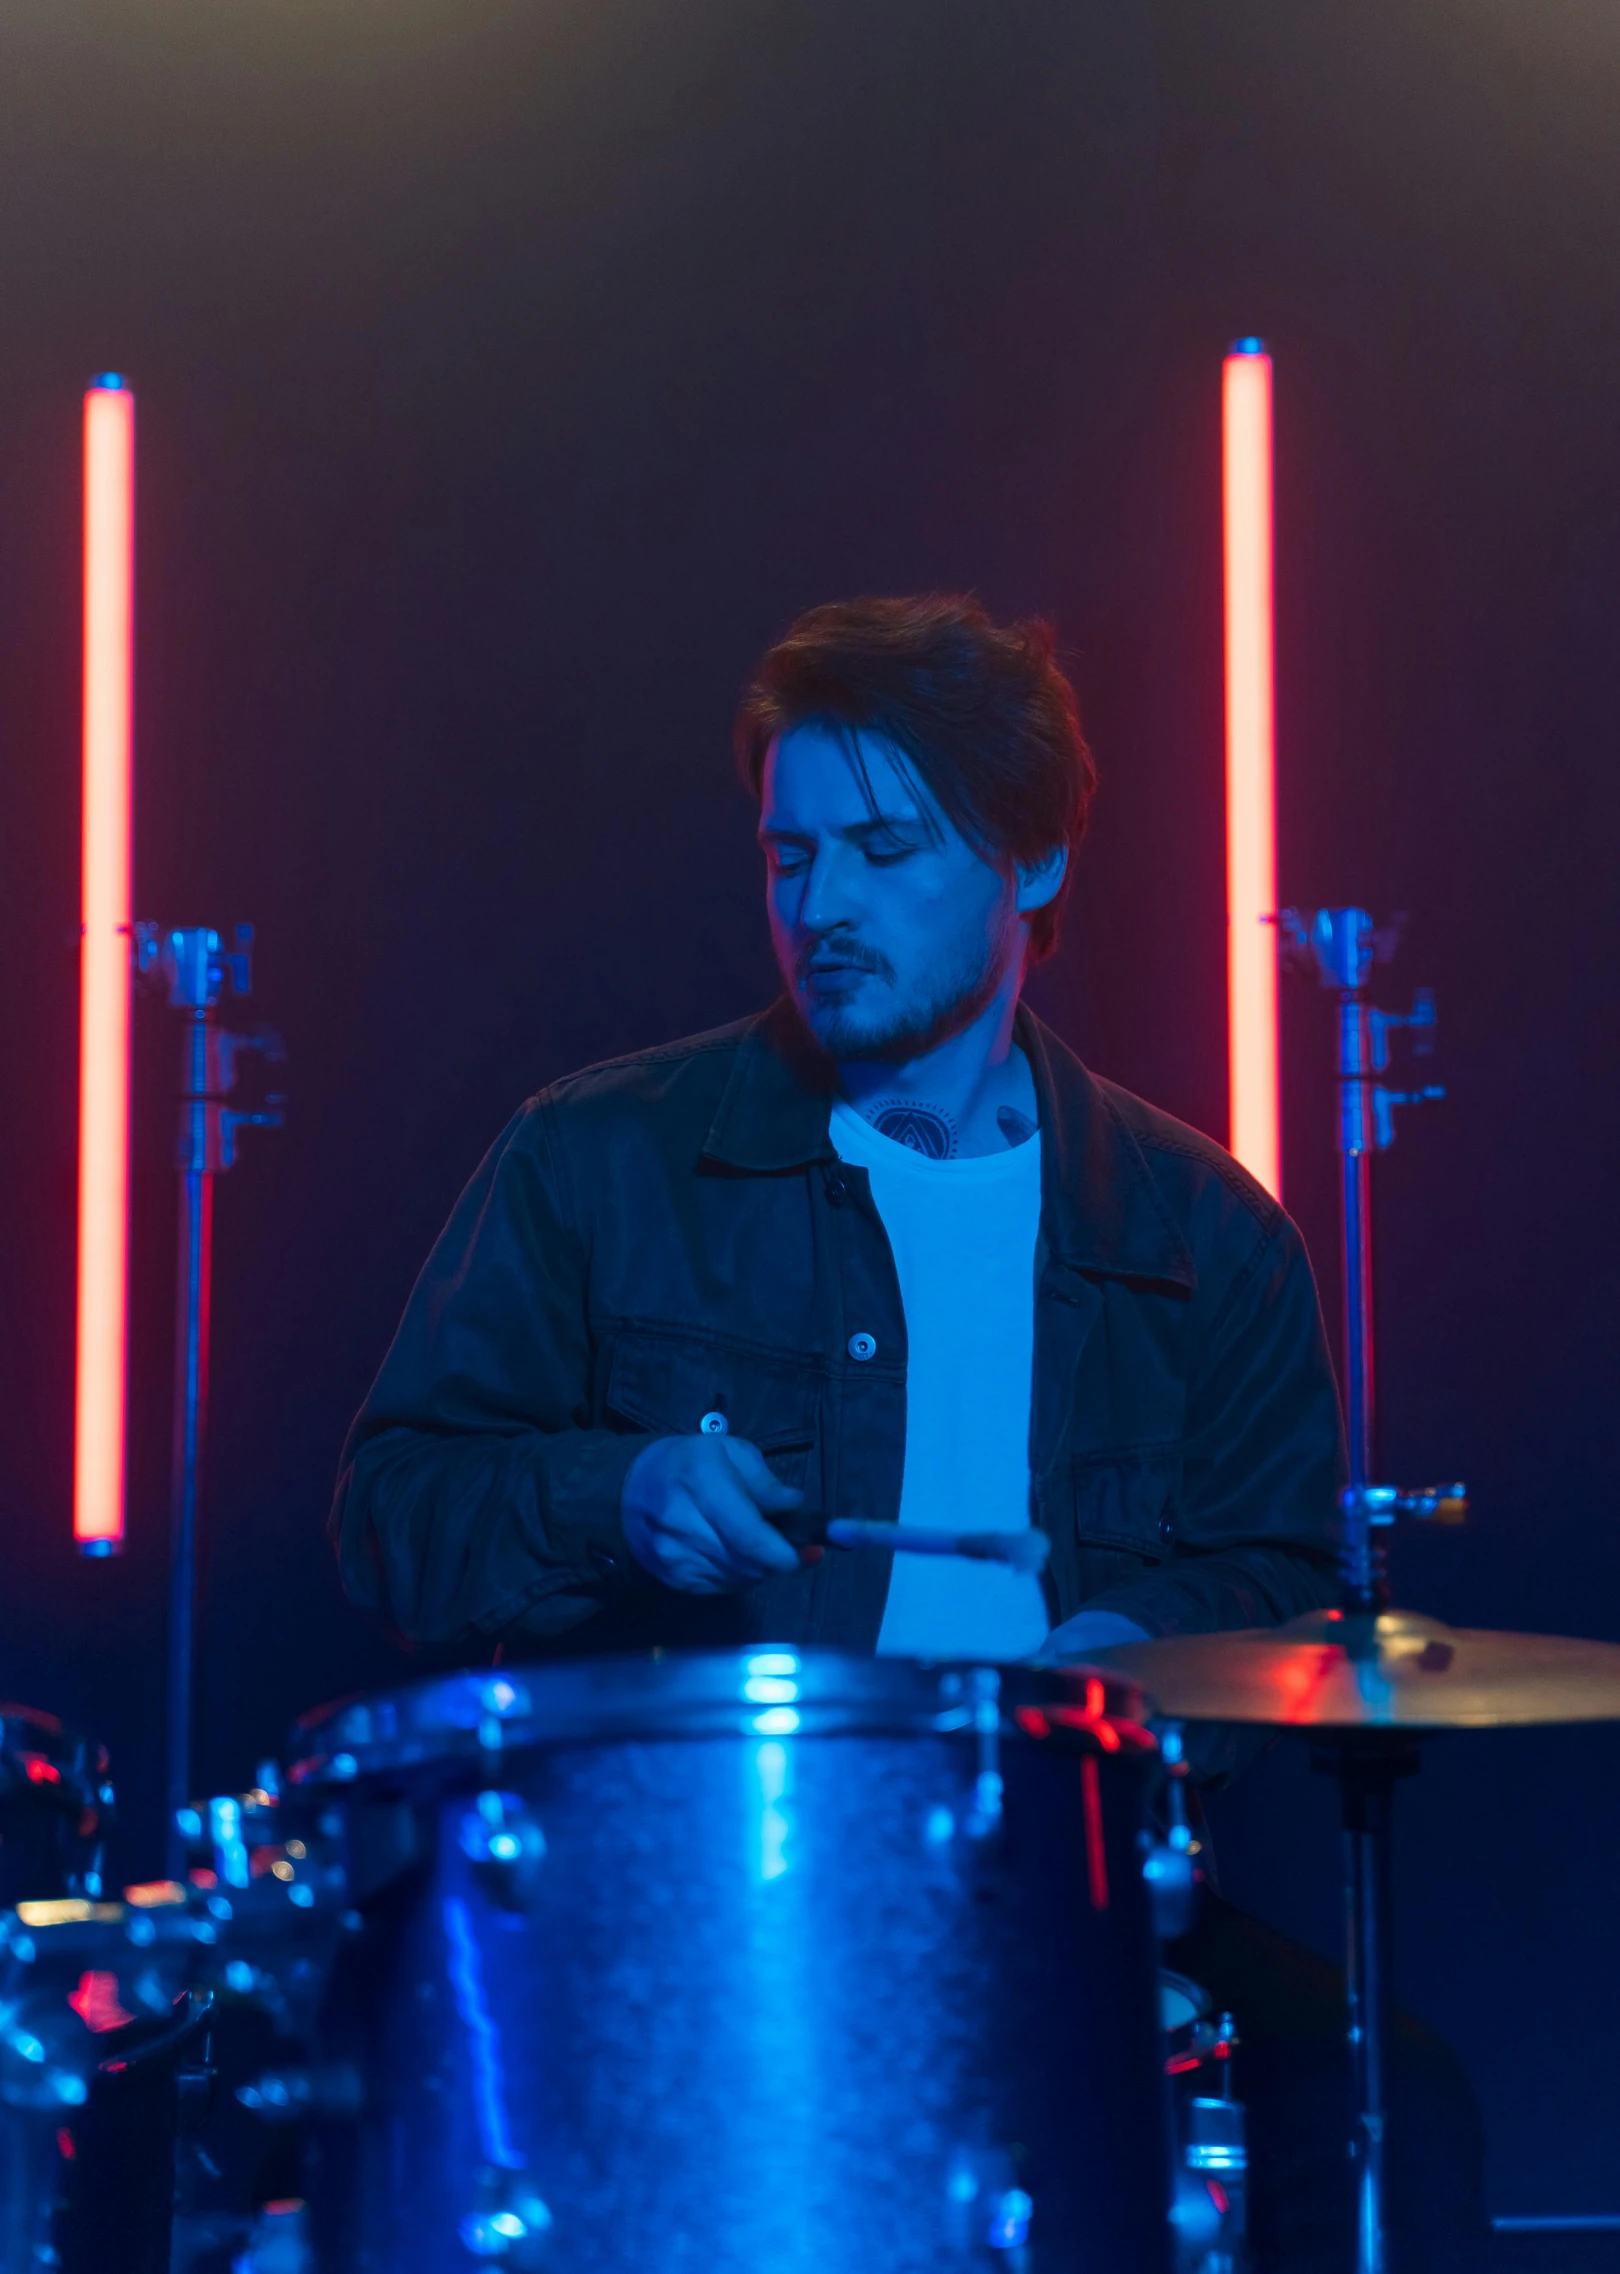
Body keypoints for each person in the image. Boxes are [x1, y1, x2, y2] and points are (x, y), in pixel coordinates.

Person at [329, 593, 1486, 2270]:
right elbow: (391, 1510)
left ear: (1030, 868)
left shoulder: (1206, 1233)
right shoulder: (598, 1158)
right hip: (695, 1881)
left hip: (1070, 1892)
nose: (823, 906)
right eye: (792, 857)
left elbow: (1277, 1573)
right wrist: (621, 1488)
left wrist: (1128, 1656)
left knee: (1391, 2102)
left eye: (884, 849)